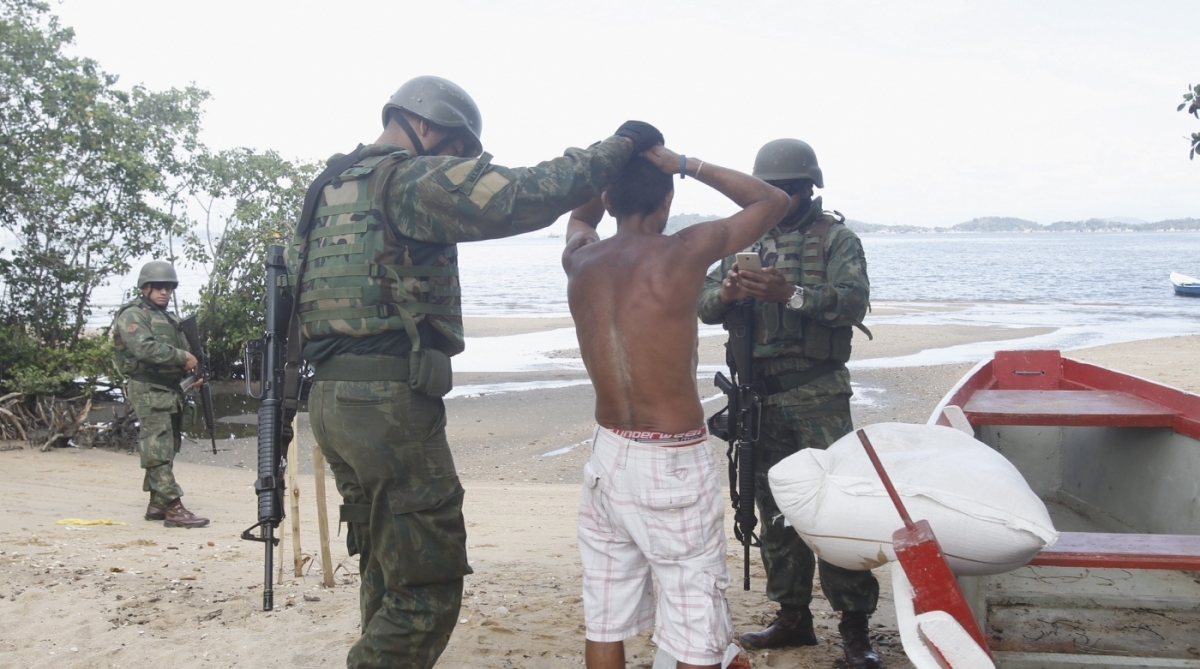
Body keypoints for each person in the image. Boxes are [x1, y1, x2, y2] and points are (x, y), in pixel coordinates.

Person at [288, 74, 661, 669]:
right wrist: (621, 144)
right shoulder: (406, 177)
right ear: (426, 125)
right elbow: (522, 195)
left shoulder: (331, 186)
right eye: (459, 152)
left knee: (388, 563)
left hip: (333, 399)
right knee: (429, 585)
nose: (458, 165)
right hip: (387, 404)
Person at [564, 145, 789, 669]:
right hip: (671, 460)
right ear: (666, 201)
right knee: (693, 619)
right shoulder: (684, 251)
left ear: (608, 198)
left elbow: (579, 216)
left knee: (604, 616)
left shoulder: (580, 258)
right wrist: (685, 164)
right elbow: (771, 200)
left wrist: (607, 163)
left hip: (607, 455)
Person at [696, 138, 879, 669]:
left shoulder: (836, 239)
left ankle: (854, 626)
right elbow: (703, 302)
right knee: (774, 507)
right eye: (771, 189)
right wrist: (729, 292)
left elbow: (851, 301)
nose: (781, 197)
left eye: (790, 189)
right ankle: (793, 617)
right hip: (758, 395)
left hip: (816, 391)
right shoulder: (744, 242)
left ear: (809, 188)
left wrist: (790, 293)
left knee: (837, 506)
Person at [111, 260, 209, 529]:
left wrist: (193, 376)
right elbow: (144, 349)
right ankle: (174, 506)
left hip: (169, 389)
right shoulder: (133, 314)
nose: (164, 292)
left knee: (168, 445)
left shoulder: (169, 318)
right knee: (156, 445)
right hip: (148, 387)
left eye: (169, 287)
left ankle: (157, 503)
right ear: (145, 288)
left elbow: (182, 356)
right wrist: (182, 357)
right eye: (158, 287)